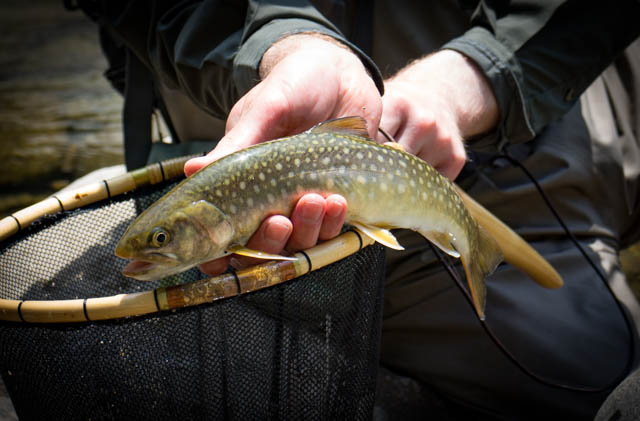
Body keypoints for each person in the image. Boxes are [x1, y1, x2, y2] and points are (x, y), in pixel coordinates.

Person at [73, 0, 640, 419]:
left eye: (161, 241)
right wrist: (282, 41)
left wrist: (476, 73)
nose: (154, 249)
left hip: (505, 161)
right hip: (243, 147)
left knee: (584, 378)